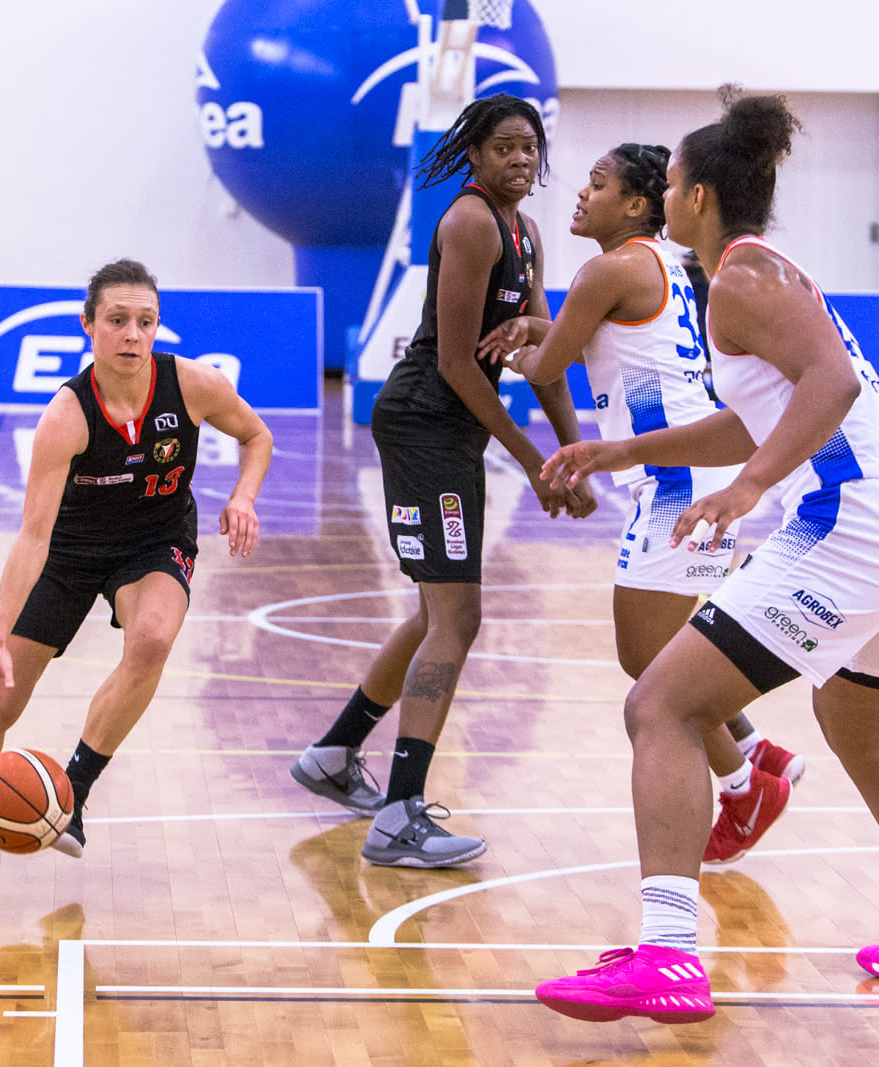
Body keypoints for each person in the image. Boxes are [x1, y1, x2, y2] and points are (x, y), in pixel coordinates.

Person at [533, 89, 879, 1025]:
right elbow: (758, 416)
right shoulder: (758, 274)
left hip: (858, 518)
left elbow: (830, 382)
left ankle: (668, 955)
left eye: (670, 184)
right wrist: (621, 450)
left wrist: (748, 489)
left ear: (697, 197)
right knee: (858, 725)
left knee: (662, 704)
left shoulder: (742, 279)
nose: (665, 198)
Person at [288, 94, 595, 867]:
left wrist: (574, 451)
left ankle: (335, 754)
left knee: (438, 614)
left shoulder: (526, 233)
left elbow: (544, 356)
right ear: (476, 155)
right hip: (426, 419)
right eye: (504, 147)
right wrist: (534, 461)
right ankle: (400, 814)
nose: (520, 159)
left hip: (451, 427)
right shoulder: (469, 222)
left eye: (530, 147)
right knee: (459, 617)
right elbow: (459, 364)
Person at [479, 143, 803, 865]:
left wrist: (514, 345)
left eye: (597, 184)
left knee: (647, 659)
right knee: (669, 653)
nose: (580, 193)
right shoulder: (653, 263)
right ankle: (757, 752)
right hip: (683, 470)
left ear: (634, 204)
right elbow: (593, 339)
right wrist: (539, 330)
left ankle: (746, 786)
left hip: (673, 481)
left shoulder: (607, 270)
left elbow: (550, 365)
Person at [0, 258, 272, 858]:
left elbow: (256, 435)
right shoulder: (67, 416)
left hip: (155, 540)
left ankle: (74, 792)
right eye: (117, 320)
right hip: (70, 550)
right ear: (89, 325)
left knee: (152, 640)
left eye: (145, 322)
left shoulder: (193, 385)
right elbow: (32, 537)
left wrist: (243, 496)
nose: (132, 334)